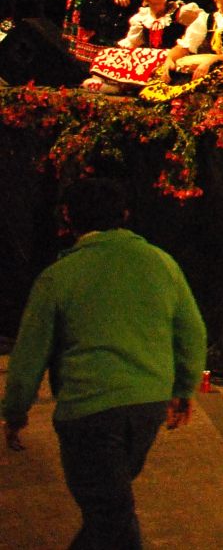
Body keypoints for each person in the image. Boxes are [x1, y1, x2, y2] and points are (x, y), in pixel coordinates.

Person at [4, 178, 207, 550]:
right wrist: (182, 390)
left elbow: (28, 357)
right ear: (125, 215)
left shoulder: (57, 278)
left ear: (67, 217)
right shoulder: (161, 263)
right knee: (108, 514)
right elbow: (192, 333)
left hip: (89, 412)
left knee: (110, 517)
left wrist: (15, 412)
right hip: (146, 408)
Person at [82, 0, 207, 95]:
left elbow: (199, 27)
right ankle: (116, 84)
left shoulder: (180, 11)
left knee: (154, 56)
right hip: (151, 57)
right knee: (108, 53)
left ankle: (125, 87)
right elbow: (132, 43)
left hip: (173, 56)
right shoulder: (141, 18)